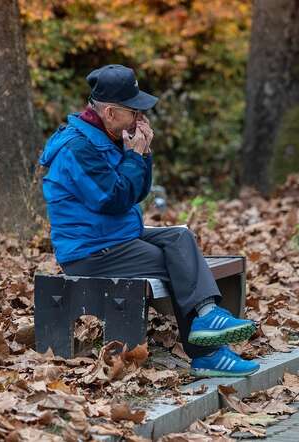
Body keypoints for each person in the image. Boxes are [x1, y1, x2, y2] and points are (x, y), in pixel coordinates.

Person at [38, 64, 259, 377]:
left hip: (117, 237)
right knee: (174, 262)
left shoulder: (107, 136)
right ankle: (207, 352)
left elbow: (136, 193)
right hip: (90, 252)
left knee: (180, 238)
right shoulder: (77, 148)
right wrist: (135, 157)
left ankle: (208, 314)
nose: (141, 118)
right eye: (135, 111)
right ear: (111, 112)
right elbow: (113, 199)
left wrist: (141, 155)